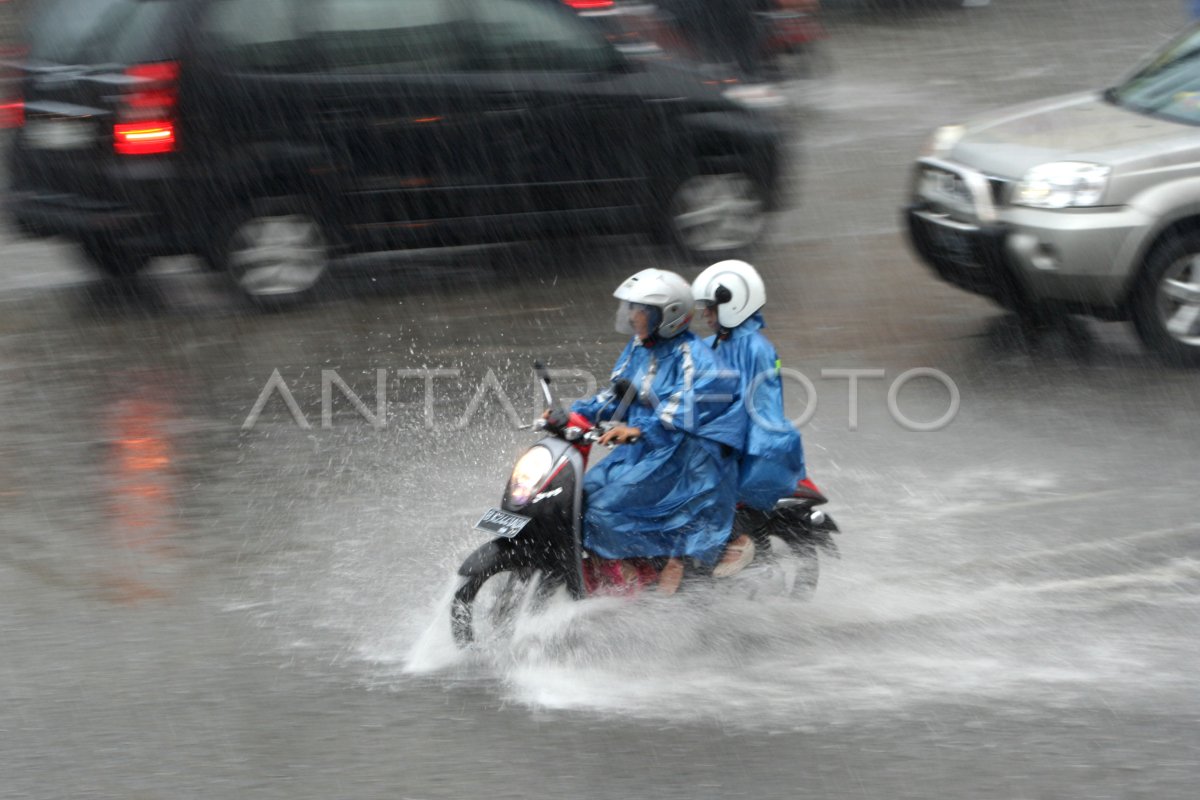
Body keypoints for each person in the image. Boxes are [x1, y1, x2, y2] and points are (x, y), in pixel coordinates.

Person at [570, 268, 746, 595]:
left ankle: (650, 574)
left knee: (603, 510)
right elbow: (617, 394)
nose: (631, 315)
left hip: (683, 457)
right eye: (630, 307)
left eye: (639, 309)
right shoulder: (639, 348)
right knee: (578, 498)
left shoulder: (697, 360)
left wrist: (638, 428)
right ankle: (610, 565)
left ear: (668, 316)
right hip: (643, 451)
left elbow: (683, 410)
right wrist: (574, 414)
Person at [691, 260, 805, 577]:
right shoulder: (710, 344)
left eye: (711, 308)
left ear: (734, 303)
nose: (705, 315)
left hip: (744, 445)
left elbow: (763, 406)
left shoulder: (757, 350)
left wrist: (730, 439)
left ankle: (738, 536)